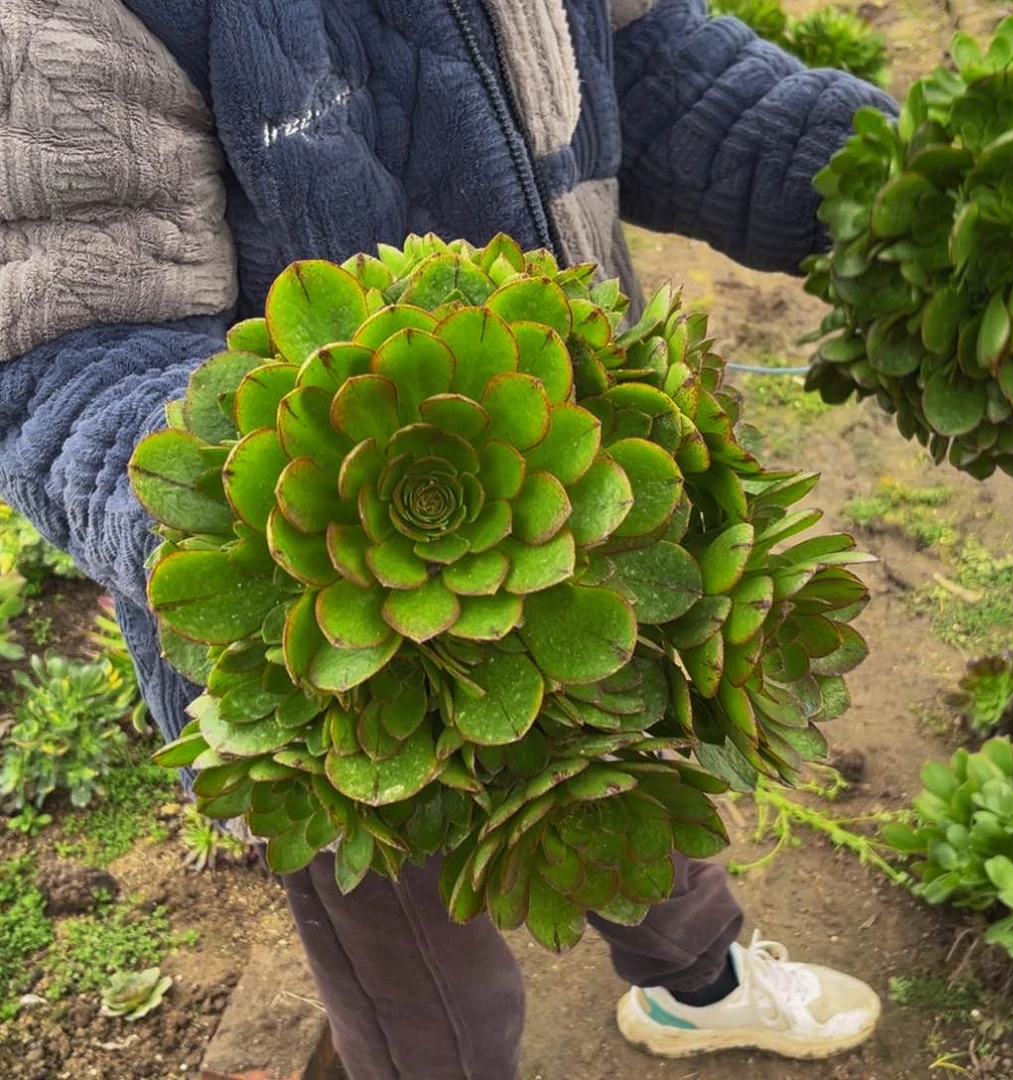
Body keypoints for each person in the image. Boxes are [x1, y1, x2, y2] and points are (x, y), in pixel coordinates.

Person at [0, 2, 897, 1077]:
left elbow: (652, 66)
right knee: (419, 978)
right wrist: (291, 529)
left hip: (597, 533)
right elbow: (70, 344)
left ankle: (698, 990)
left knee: (631, 806)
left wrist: (891, 202)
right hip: (332, 670)